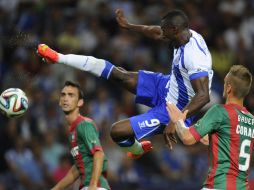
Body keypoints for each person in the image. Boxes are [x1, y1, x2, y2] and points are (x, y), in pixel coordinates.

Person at [37, 9, 213, 158]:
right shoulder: (182, 35)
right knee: (119, 74)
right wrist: (129, 25)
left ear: (174, 29)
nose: (161, 32)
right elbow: (156, 31)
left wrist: (177, 121)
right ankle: (58, 57)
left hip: (176, 110)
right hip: (167, 85)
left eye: (165, 29)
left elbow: (204, 96)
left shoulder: (194, 57)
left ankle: (137, 149)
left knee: (117, 132)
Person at [166, 65, 253, 189]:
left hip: (219, 185)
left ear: (228, 88)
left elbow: (187, 138)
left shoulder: (220, 111)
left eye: (224, 83)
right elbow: (227, 141)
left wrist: (178, 120)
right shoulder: (251, 120)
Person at [52, 81, 110, 190]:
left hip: (95, 186)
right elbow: (78, 167)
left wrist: (93, 185)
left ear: (80, 102)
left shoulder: (84, 125)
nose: (65, 98)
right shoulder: (72, 131)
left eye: (71, 95)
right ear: (60, 102)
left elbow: (99, 154)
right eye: (63, 95)